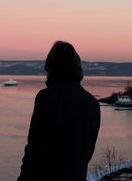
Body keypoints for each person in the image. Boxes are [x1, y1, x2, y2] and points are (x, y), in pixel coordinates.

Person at [17, 41, 101, 181]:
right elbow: (88, 153)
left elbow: (34, 150)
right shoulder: (92, 103)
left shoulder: (46, 97)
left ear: (51, 66)